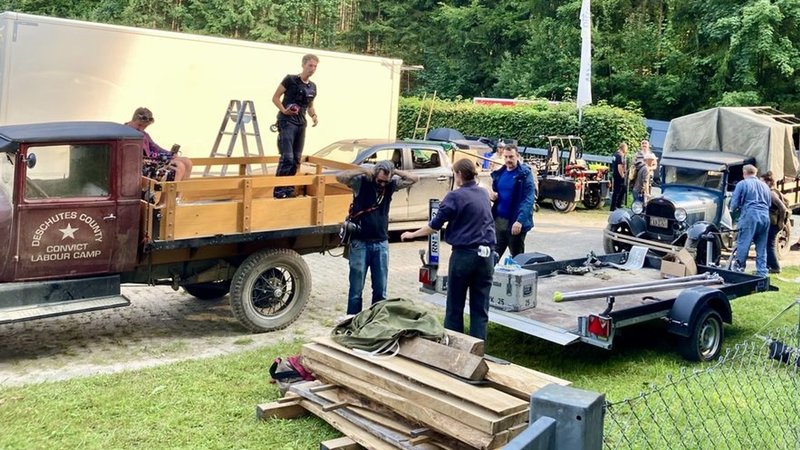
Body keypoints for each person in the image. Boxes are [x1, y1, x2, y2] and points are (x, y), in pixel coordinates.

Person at [401, 159, 496, 340]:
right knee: (480, 308)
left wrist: (412, 234)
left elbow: (434, 225)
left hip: (464, 255)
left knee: (455, 305)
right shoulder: (483, 193)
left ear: (459, 174)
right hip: (486, 256)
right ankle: (478, 349)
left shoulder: (454, 196)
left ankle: (453, 347)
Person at [337, 160, 419, 315]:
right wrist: (361, 170)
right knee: (355, 291)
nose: (382, 184)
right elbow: (340, 177)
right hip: (360, 243)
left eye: (385, 181)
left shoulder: (390, 185)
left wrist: (396, 172)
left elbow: (414, 179)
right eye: (380, 180)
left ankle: (377, 322)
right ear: (374, 174)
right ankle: (352, 321)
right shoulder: (361, 183)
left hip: (381, 243)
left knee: (380, 291)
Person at [272, 54, 319, 198]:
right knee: (287, 157)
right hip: (287, 122)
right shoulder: (290, 79)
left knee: (297, 158)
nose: (312, 69)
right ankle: (279, 191)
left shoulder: (312, 87)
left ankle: (289, 188)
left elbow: (310, 105)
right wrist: (283, 110)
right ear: (303, 65)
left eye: (315, 66)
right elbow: (275, 97)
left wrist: (314, 115)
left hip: (301, 123)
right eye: (310, 65)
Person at [125, 107, 193, 190]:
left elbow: (154, 147)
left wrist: (170, 154)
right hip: (141, 164)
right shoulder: (125, 133)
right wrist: (162, 157)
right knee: (178, 166)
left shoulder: (143, 134)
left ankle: (177, 197)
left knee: (187, 161)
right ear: (133, 119)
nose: (141, 129)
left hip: (152, 160)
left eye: (145, 127)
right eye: (139, 125)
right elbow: (135, 156)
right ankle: (164, 201)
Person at [489, 143, 535, 259]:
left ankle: (517, 277)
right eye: (506, 157)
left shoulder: (524, 174)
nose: (508, 160)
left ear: (517, 156)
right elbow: (497, 192)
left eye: (511, 157)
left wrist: (520, 221)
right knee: (492, 256)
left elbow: (528, 199)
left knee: (517, 258)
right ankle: (489, 277)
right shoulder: (500, 173)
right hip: (499, 222)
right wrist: (493, 196)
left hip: (515, 223)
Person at [729, 164, 771, 277]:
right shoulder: (765, 186)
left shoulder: (742, 184)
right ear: (755, 173)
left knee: (743, 243)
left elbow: (734, 204)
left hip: (750, 215)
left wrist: (732, 211)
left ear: (744, 173)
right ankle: (762, 271)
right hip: (765, 216)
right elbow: (769, 203)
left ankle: (739, 269)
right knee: (762, 246)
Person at [760, 171, 788, 274]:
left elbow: (783, 208)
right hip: (773, 223)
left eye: (762, 181)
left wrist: (781, 222)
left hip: (774, 224)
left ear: (768, 182)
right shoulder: (772, 191)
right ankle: (769, 266)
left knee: (769, 245)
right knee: (767, 244)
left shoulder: (771, 193)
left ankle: (775, 267)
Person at [610, 142, 628, 211]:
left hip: (615, 174)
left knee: (620, 190)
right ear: (623, 148)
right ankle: (615, 206)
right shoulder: (620, 156)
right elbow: (619, 166)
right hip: (619, 175)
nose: (626, 150)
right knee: (618, 191)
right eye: (626, 148)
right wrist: (622, 175)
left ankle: (616, 205)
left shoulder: (615, 154)